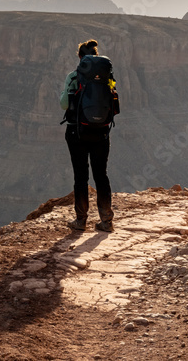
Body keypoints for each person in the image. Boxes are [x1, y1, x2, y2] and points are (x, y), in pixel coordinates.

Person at [60, 39, 117, 233]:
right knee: (101, 176)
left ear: (80, 57)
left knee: (81, 177)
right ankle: (107, 221)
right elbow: (114, 101)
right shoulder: (107, 76)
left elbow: (63, 104)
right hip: (101, 132)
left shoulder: (74, 76)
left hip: (77, 132)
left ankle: (81, 221)